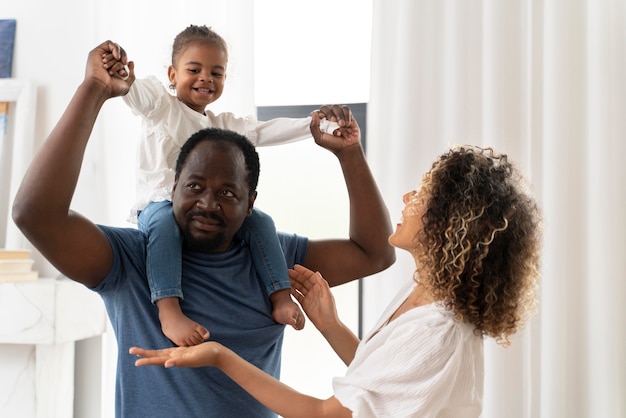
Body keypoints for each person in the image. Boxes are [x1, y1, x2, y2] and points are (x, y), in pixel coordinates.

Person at [11, 40, 395, 418]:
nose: (208, 203)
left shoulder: (272, 257)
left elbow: (374, 253)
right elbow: (34, 213)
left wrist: (349, 155)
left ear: (250, 203)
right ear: (173, 188)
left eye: (227, 192)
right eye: (194, 187)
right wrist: (93, 90)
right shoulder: (131, 260)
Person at [130, 145, 543, 417]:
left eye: (421, 196)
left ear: (450, 224)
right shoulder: (423, 296)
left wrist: (220, 356)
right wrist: (331, 325)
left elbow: (326, 415)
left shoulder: (439, 327)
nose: (406, 200)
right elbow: (383, 390)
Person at [102, 24, 343, 346]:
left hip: (208, 207)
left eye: (217, 73)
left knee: (261, 221)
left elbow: (266, 131)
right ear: (172, 75)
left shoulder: (221, 124)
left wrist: (315, 125)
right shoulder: (160, 104)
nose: (206, 78)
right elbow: (135, 92)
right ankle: (169, 308)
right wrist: (123, 75)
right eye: (194, 69)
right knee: (163, 225)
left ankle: (280, 296)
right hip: (160, 202)